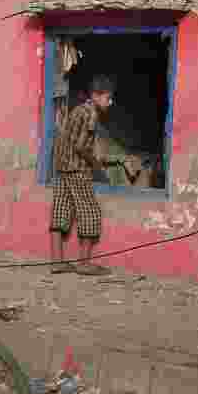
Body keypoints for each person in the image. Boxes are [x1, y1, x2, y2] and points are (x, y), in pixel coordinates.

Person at [49, 75, 114, 276]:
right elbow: (80, 146)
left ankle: (57, 261)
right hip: (77, 169)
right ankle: (84, 263)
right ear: (95, 95)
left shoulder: (77, 109)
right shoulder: (91, 114)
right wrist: (95, 164)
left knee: (60, 211)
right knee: (90, 212)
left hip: (61, 167)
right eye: (108, 98)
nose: (110, 102)